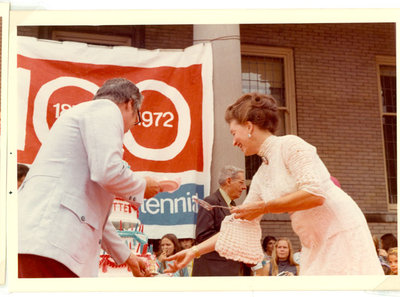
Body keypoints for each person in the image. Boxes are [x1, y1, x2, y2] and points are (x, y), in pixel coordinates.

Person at [165, 92, 383, 276]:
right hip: (313, 243)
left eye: (234, 133)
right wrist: (194, 252)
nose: (233, 141)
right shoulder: (261, 175)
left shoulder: (291, 145)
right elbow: (240, 224)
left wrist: (264, 207)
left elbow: (315, 194)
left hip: (341, 232)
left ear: (249, 126)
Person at [18, 78, 161, 278]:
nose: (129, 129)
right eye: (136, 118)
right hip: (55, 242)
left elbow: (94, 215)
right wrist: (142, 186)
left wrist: (127, 256)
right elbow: (108, 171)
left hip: (43, 241)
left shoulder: (84, 115)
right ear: (129, 103)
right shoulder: (106, 110)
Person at [192, 165, 247, 276]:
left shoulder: (232, 205)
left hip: (228, 269)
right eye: (241, 182)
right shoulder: (211, 202)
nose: (244, 187)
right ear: (228, 181)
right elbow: (202, 237)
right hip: (213, 271)